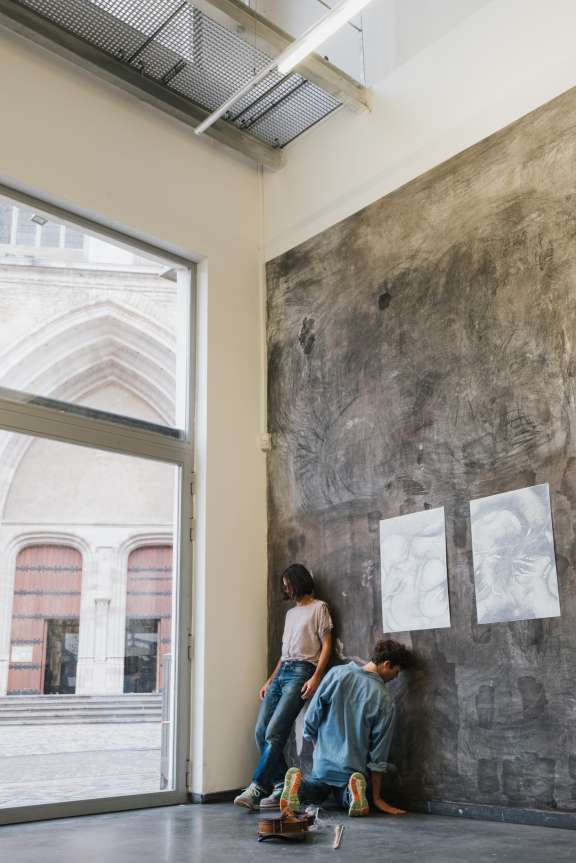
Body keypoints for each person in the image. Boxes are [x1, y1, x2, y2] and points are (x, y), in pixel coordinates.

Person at [278, 638, 415, 818]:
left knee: (315, 792)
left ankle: (299, 788)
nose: (395, 677)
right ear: (387, 664)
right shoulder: (384, 699)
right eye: (396, 672)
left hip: (323, 765)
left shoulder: (338, 673)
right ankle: (353, 792)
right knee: (345, 798)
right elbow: (379, 754)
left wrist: (318, 747)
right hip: (351, 769)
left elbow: (311, 716)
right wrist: (377, 798)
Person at [234, 563, 333, 809]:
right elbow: (284, 654)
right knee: (261, 731)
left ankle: (258, 786)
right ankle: (280, 785)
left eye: (288, 585)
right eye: (284, 586)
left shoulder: (319, 608)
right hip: (282, 672)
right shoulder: (290, 614)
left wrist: (316, 677)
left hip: (302, 671)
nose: (286, 589)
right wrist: (270, 679)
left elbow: (327, 646)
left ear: (299, 582)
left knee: (275, 731)